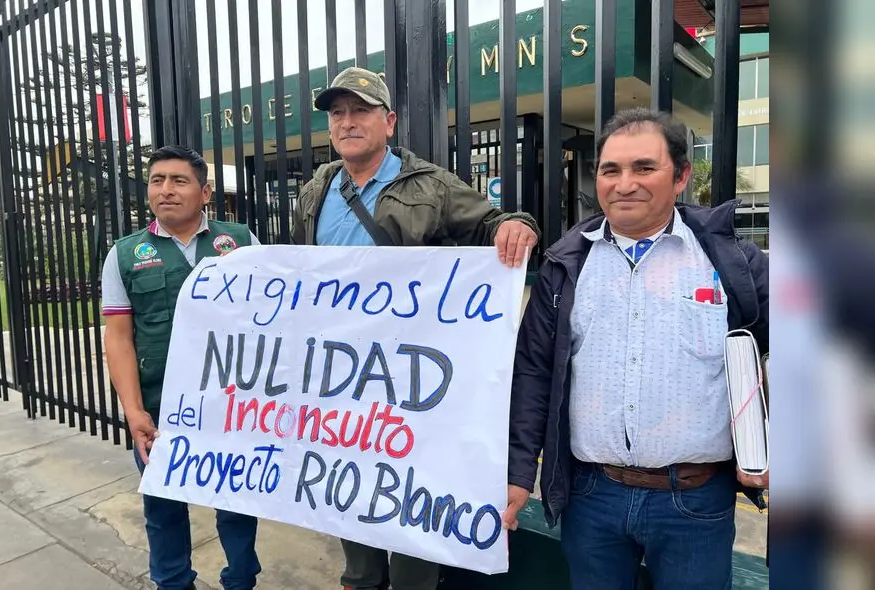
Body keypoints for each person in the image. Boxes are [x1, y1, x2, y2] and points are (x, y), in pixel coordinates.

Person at [290, 66, 541, 590]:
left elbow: (495, 222)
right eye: (338, 113)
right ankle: (360, 577)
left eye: (360, 110)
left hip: (409, 377)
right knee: (347, 480)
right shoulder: (316, 189)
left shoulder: (429, 184)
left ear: (390, 121)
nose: (347, 122)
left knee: (412, 487)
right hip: (338, 374)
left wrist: (519, 225)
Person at [503, 108, 769, 589]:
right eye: (611, 170)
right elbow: (534, 375)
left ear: (681, 176)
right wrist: (519, 475)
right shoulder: (567, 265)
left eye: (644, 168)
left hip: (694, 502)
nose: (625, 184)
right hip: (590, 497)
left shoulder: (731, 263)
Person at [102, 145, 262, 590]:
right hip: (160, 409)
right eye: (157, 180)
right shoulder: (125, 254)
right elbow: (117, 338)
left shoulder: (241, 242)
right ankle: (173, 582)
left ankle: (241, 580)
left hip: (232, 408)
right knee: (164, 507)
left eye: (179, 180)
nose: (166, 190)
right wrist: (134, 411)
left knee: (235, 503)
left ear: (205, 192)